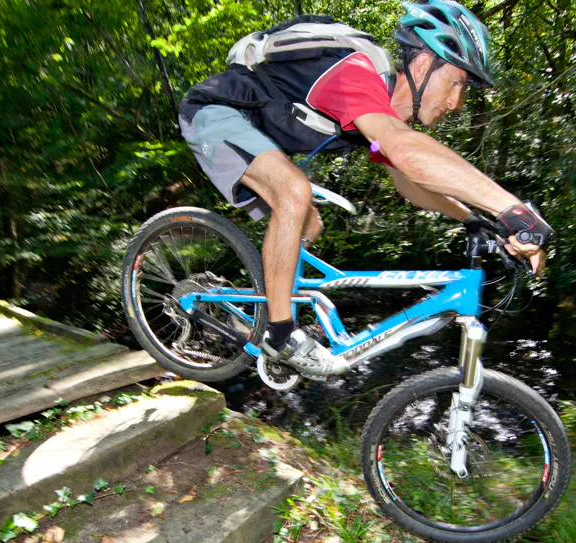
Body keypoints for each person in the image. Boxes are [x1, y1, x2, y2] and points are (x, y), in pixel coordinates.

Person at [178, 0, 553, 376]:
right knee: (294, 193)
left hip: (259, 135)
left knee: (309, 223)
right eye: (456, 82)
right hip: (217, 112)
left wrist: (474, 218)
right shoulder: (355, 74)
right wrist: (511, 210)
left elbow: (410, 182)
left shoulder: (375, 118)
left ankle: (266, 309)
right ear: (423, 65)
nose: (457, 103)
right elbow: (406, 151)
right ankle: (280, 334)